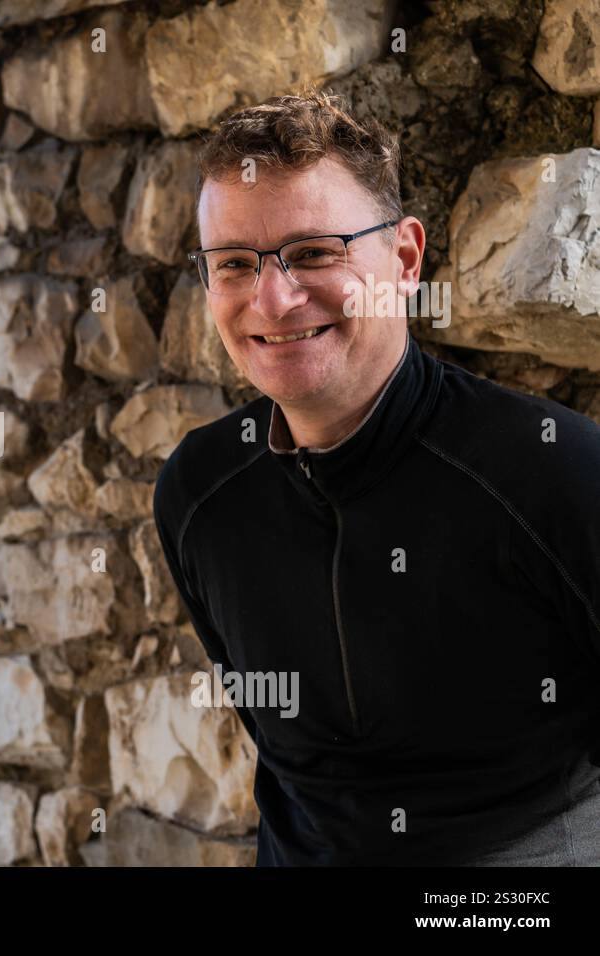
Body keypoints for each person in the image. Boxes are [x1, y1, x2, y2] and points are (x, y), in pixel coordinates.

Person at [152, 88, 600, 866]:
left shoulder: (552, 468)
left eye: (314, 252)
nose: (273, 298)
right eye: (233, 265)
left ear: (403, 259)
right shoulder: (200, 494)